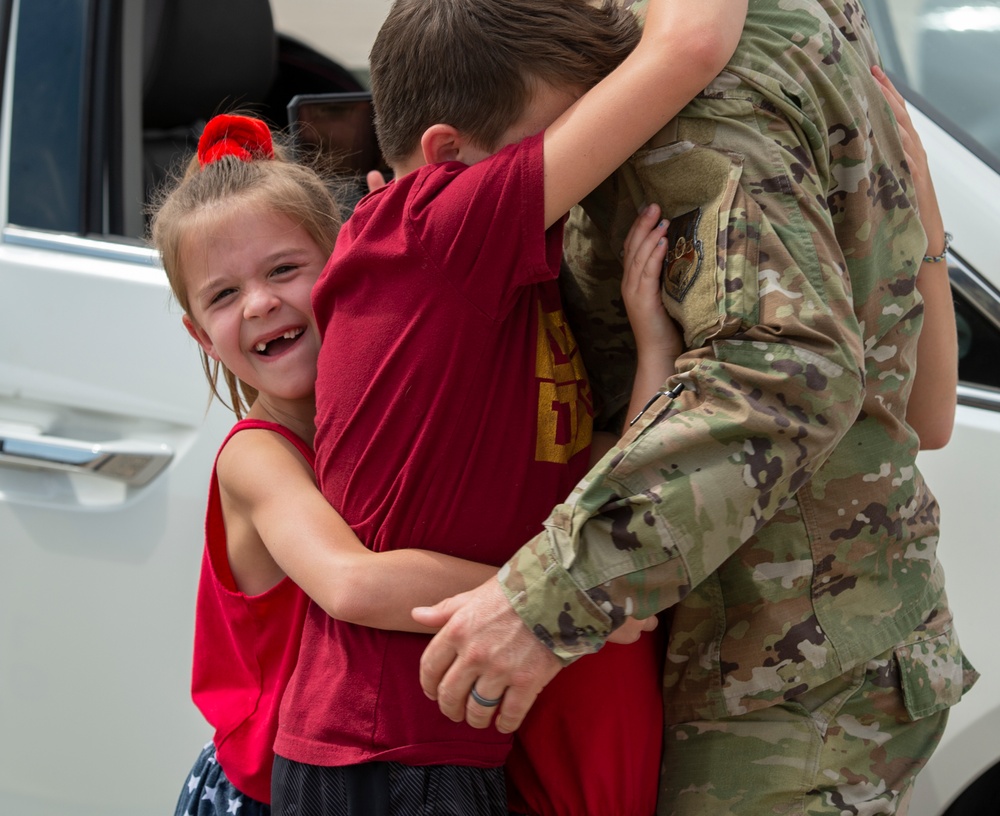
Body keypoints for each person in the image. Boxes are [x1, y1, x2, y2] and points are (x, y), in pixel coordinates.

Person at [416, 2, 978, 814]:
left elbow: (783, 375)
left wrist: (543, 602)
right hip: (825, 654)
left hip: (774, 684)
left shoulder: (691, 86)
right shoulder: (776, 23)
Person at [271, 0, 746, 813]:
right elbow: (693, 42)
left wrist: (654, 346)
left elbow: (584, 482)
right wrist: (562, 601)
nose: (592, 156)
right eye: (564, 134)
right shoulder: (437, 226)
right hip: (392, 754)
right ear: (448, 154)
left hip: (449, 746)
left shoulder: (497, 289)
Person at [152, 113, 502, 816]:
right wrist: (550, 595)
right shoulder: (254, 457)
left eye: (285, 269)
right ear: (198, 333)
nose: (260, 302)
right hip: (270, 797)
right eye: (223, 295)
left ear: (344, 266)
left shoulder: (374, 419)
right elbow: (350, 583)